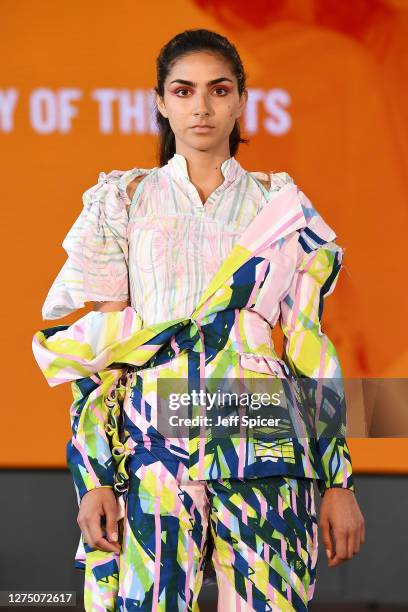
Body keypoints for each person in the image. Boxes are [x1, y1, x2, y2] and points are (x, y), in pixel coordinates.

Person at [33, 28, 365, 612]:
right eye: (183, 91)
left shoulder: (281, 205)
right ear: (161, 102)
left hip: (263, 440)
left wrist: (339, 480)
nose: (202, 106)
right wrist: (94, 479)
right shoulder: (125, 200)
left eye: (219, 89)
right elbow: (105, 349)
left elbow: (310, 345)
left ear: (240, 100)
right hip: (154, 446)